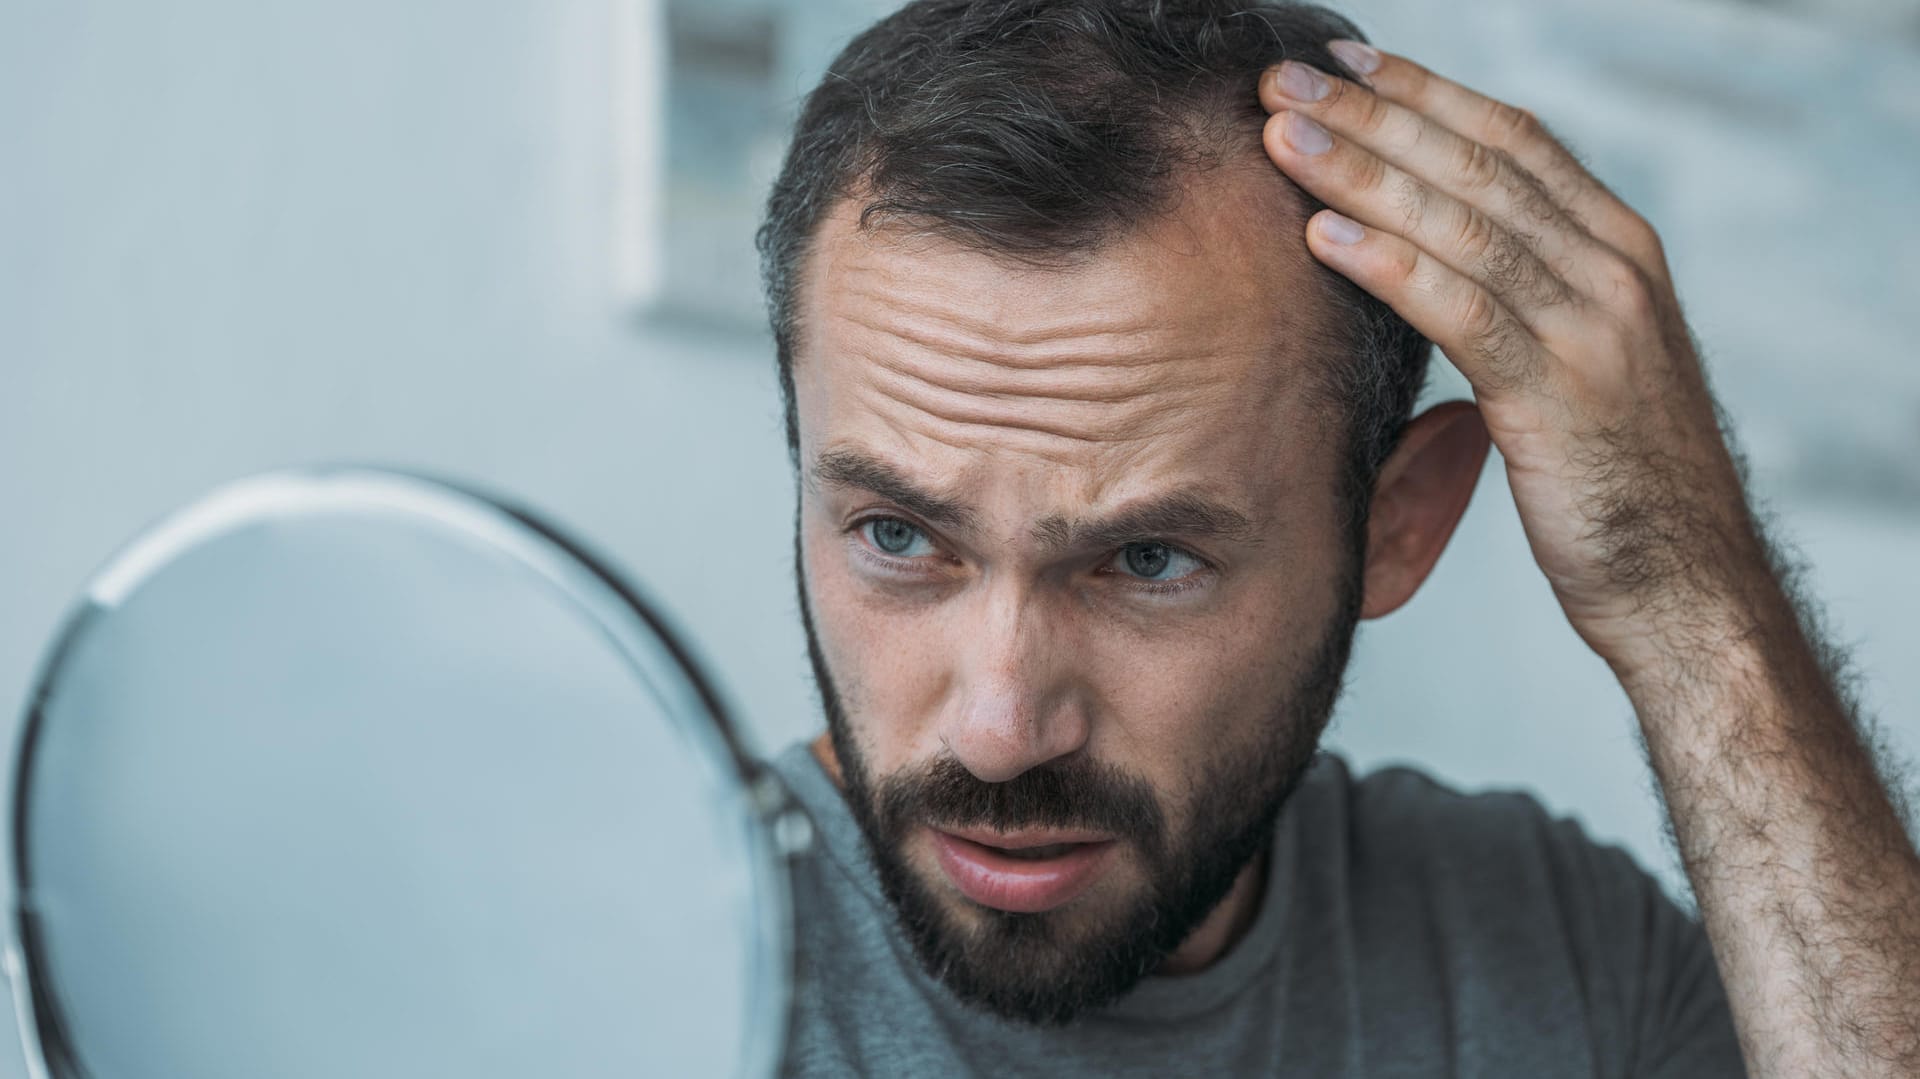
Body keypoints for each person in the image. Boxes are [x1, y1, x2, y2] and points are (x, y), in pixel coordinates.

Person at [750, 1, 1920, 1074]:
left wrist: (1693, 600)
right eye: (897, 535)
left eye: (1149, 560)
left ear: (1397, 525)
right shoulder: (623, 956)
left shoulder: (1564, 961)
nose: (1000, 730)